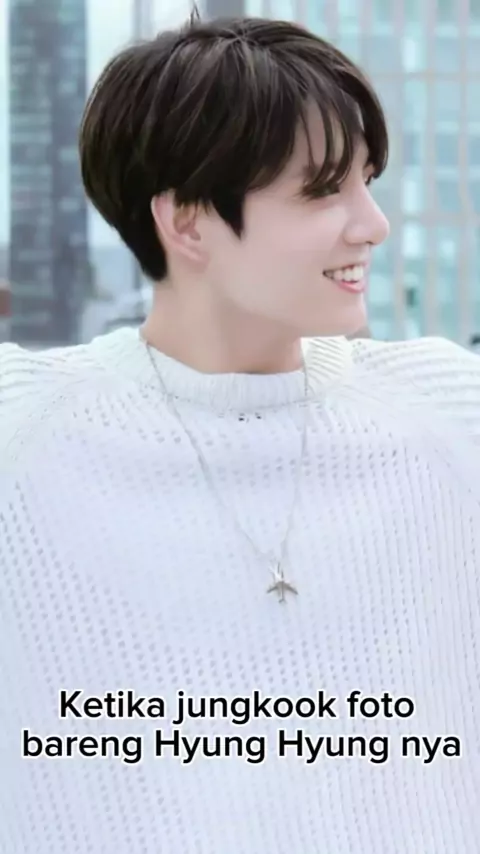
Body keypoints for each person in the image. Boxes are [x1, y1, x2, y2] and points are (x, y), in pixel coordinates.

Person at [1, 11, 480, 854]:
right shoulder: (25, 436)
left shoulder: (446, 414)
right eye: (324, 189)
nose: (373, 224)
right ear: (188, 222)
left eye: (368, 181)